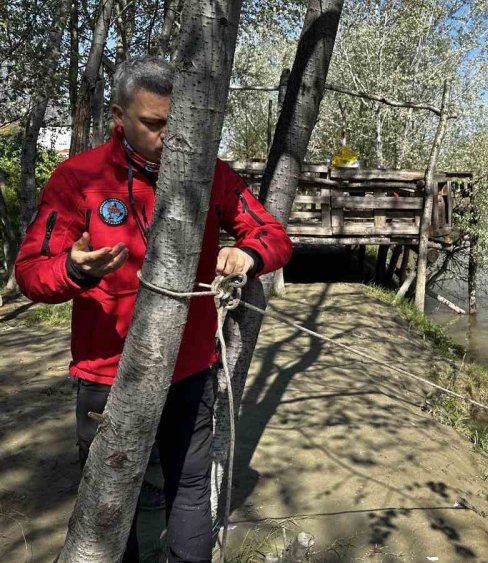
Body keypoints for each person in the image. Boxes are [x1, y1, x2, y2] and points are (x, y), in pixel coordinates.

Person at [15, 57, 292, 562]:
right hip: (107, 376)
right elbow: (31, 272)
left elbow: (274, 235)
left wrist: (247, 254)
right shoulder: (80, 177)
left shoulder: (211, 174)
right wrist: (74, 271)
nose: (169, 137)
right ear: (119, 116)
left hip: (189, 371)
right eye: (154, 124)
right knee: (108, 505)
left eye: (178, 124)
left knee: (188, 491)